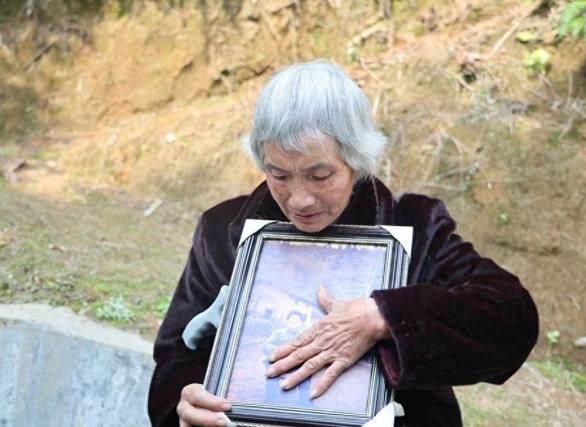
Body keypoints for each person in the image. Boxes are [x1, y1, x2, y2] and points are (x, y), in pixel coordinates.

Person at [148, 59, 539, 427]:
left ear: (356, 159)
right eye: (279, 175)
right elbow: (175, 357)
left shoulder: (415, 227)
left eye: (320, 176)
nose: (299, 199)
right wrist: (183, 402)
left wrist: (383, 316)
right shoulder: (223, 231)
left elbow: (511, 320)